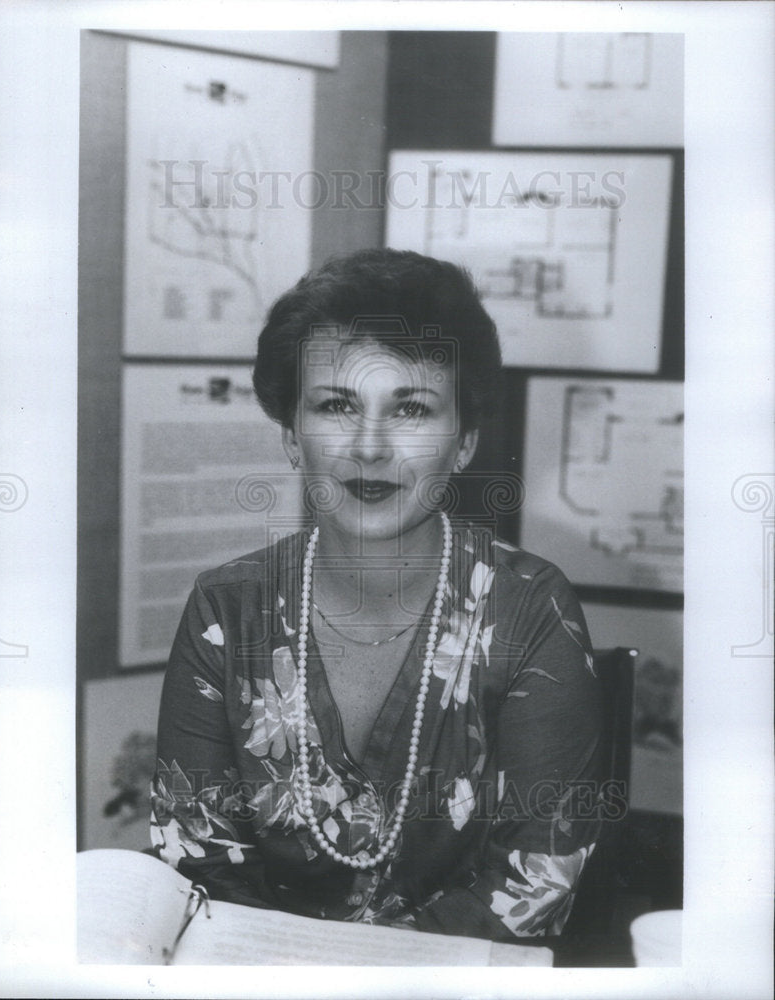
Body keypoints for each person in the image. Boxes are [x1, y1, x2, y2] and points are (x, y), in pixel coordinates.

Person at [150, 248, 604, 941]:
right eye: (336, 405)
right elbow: (199, 866)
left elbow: (532, 886)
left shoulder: (529, 609)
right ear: (293, 439)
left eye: (411, 409)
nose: (369, 447)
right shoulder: (226, 608)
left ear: (464, 443)